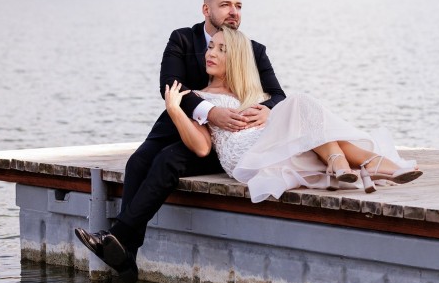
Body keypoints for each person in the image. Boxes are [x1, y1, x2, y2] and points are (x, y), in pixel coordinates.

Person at [75, 0, 286, 283]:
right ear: (206, 10)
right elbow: (171, 85)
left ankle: (118, 236)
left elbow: (278, 96)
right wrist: (210, 112)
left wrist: (266, 109)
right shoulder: (182, 40)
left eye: (238, 6)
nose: (234, 12)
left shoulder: (252, 50)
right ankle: (127, 255)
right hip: (176, 125)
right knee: (139, 162)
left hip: (218, 140)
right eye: (225, 5)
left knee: (169, 160)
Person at [165, 25, 422, 205]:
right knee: (300, 104)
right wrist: (175, 110)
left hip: (271, 146)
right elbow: (202, 148)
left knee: (312, 131)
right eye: (210, 47)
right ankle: (364, 162)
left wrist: (269, 116)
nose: (210, 53)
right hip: (244, 156)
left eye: (222, 49)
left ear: (237, 58)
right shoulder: (200, 98)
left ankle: (354, 164)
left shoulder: (255, 94)